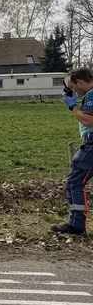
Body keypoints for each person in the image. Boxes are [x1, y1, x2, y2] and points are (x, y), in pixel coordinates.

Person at [58, 68, 93, 235]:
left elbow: (88, 120)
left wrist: (72, 106)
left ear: (80, 82)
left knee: (74, 180)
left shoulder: (91, 95)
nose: (75, 91)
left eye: (74, 87)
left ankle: (76, 224)